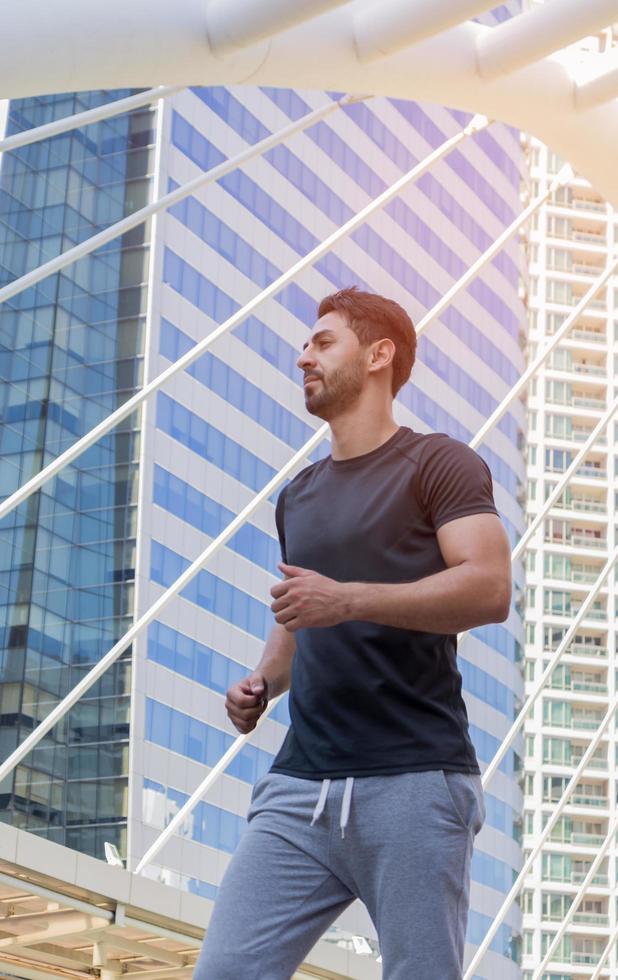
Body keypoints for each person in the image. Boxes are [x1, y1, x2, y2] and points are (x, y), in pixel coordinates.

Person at [194, 286, 512, 980]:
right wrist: (261, 684)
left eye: (322, 341)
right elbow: (298, 622)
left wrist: (350, 600)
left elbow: (490, 587)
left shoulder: (439, 463)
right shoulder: (297, 494)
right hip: (299, 785)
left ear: (379, 355)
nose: (302, 356)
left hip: (414, 781)